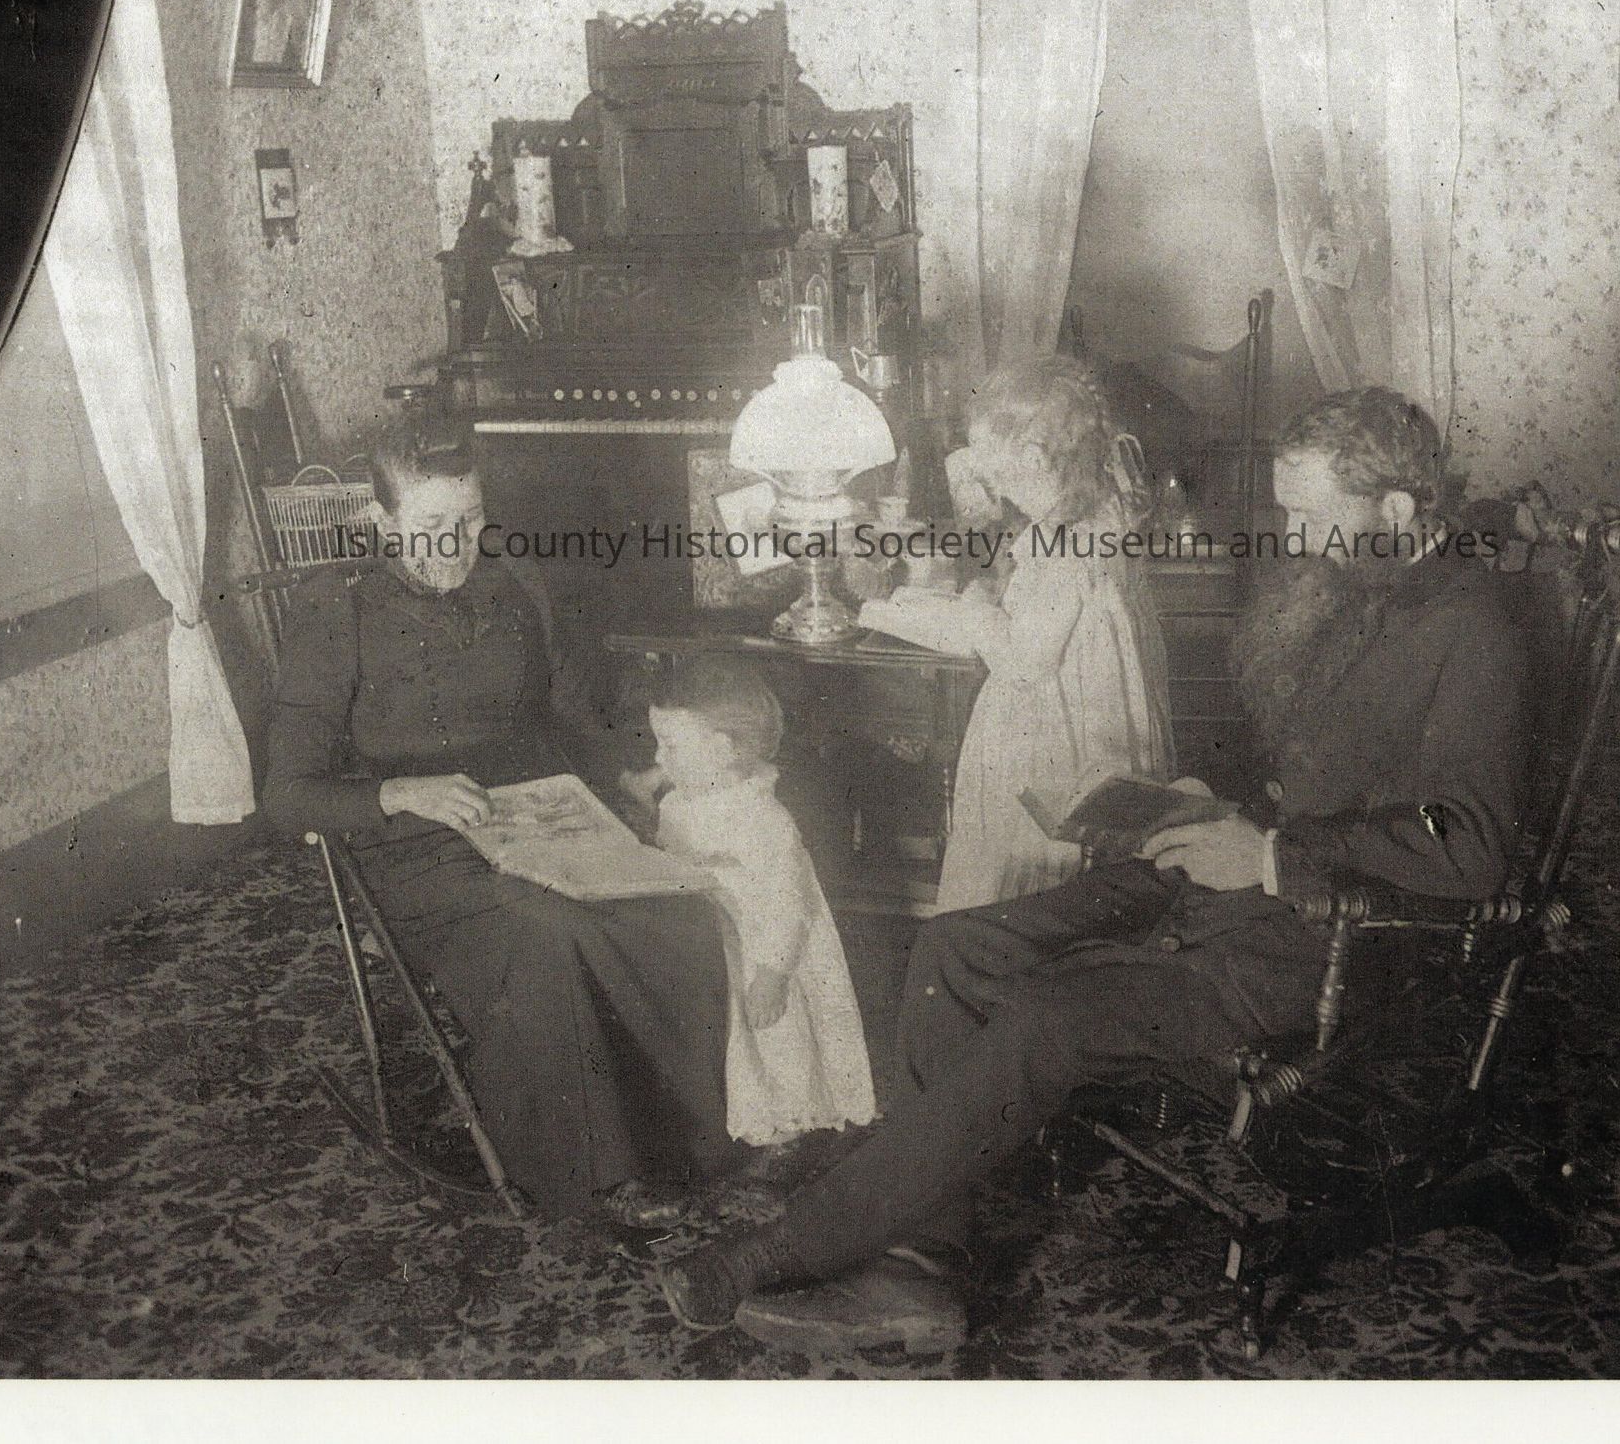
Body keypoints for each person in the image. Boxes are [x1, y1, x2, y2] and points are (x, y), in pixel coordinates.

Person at [657, 386, 1529, 1355]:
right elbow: (1320, 765)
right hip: (1222, 876)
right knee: (954, 946)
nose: (1292, 536)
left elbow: (1468, 844)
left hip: (1320, 937)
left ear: (1395, 510)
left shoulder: (1469, 629)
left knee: (1050, 1011)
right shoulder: (1349, 583)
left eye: (1309, 515)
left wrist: (1271, 854)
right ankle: (918, 1261)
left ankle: (785, 1250)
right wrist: (1209, 797)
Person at [261, 416, 738, 1221]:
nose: (455, 543)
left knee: (673, 904)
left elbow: (572, 714)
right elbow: (285, 796)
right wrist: (400, 793)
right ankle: (600, 1177)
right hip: (414, 847)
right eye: (430, 524)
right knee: (549, 932)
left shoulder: (516, 582)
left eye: (471, 518)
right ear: (381, 520)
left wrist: (627, 774)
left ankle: (694, 1137)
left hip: (539, 816)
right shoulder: (335, 613)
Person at [858, 358, 1173, 913]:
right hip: (1093, 721)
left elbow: (1027, 663)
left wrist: (976, 612)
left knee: (1026, 869)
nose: (984, 477)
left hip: (1049, 734)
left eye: (989, 463)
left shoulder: (1063, 546)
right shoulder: (1103, 515)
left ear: (1032, 459)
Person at [641, 656, 877, 1159]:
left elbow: (789, 907)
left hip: (763, 949)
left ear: (723, 750)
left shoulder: (763, 819)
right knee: (729, 1038)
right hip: (712, 939)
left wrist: (773, 973)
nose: (658, 757)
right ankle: (732, 1109)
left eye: (670, 745)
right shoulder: (680, 801)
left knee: (775, 1036)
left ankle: (787, 1123)